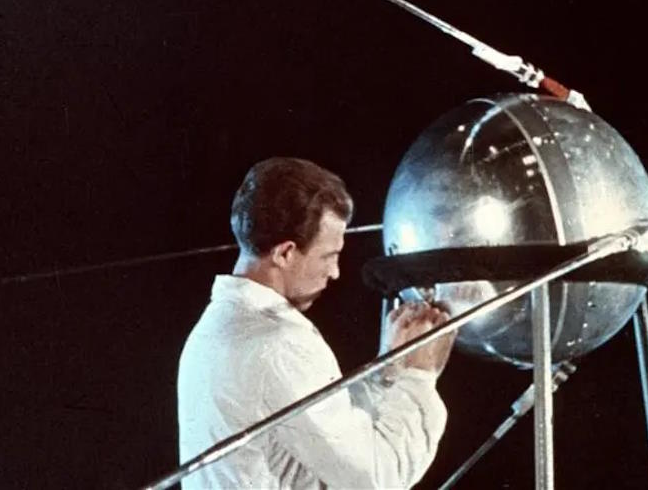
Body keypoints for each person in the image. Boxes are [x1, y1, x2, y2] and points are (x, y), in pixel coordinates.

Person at [177, 157, 455, 489]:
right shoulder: (278, 343)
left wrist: (386, 372)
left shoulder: (220, 324)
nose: (335, 272)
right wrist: (418, 377)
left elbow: (319, 431)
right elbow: (379, 478)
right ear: (285, 253)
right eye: (329, 256)